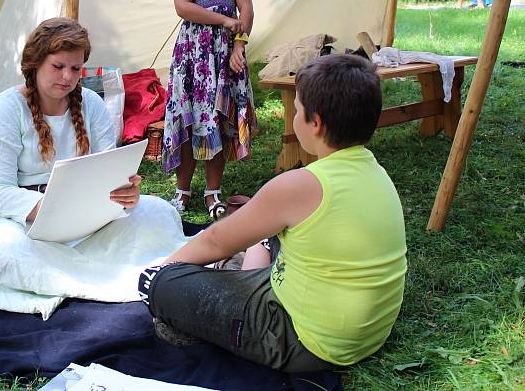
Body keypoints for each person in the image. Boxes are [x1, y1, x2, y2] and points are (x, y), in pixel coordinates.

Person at [139, 54, 407, 373]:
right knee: (269, 233)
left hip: (304, 342)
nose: (294, 118)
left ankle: (218, 287)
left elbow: (214, 241)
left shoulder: (298, 186)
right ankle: (248, 265)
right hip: (365, 332)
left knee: (160, 283)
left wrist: (165, 270)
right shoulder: (375, 172)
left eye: (298, 111)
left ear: (316, 123)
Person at [0, 17, 189, 319]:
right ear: (35, 63)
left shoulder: (91, 103)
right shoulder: (5, 109)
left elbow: (107, 168)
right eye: (58, 66)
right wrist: (46, 208)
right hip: (25, 220)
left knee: (158, 211)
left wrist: (125, 192)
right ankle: (112, 280)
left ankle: (84, 272)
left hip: (87, 215)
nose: (67, 76)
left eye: (75, 68)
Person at [163, 0, 258, 219]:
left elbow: (246, 11)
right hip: (194, 59)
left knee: (218, 119)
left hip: (225, 60)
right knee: (191, 122)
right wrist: (222, 21)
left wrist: (239, 47)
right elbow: (183, 7)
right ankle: (183, 189)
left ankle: (213, 191)